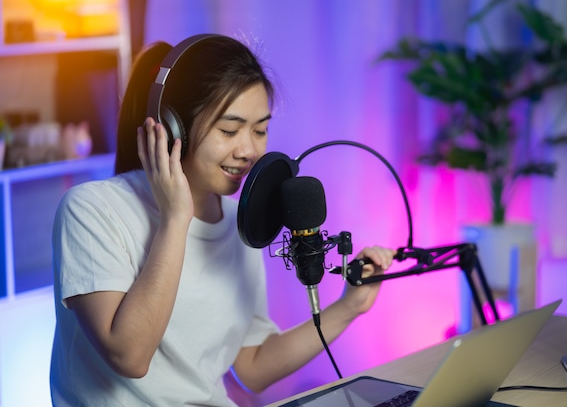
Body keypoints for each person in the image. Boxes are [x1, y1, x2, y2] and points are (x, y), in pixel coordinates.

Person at [49, 34, 396, 407]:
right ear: (172, 128)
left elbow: (252, 367)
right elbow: (129, 356)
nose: (248, 151)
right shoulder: (91, 210)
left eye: (260, 130)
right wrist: (175, 219)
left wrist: (349, 307)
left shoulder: (237, 221)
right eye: (229, 130)